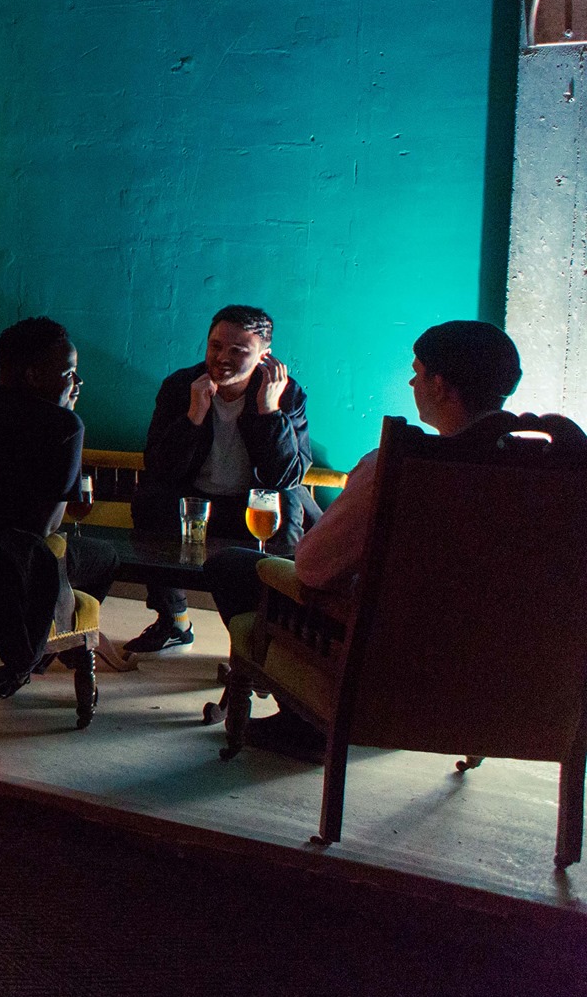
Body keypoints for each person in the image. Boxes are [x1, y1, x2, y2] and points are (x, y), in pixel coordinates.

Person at [199, 320, 523, 756]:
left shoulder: (400, 467)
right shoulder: (550, 477)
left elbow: (312, 567)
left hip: (388, 657)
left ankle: (306, 720)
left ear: (441, 385)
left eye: (417, 370)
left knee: (233, 566)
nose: (411, 381)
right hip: (497, 668)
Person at [0, 317, 112, 698]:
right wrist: (69, 420)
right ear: (34, 376)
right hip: (7, 567)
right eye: (69, 372)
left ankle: (28, 655)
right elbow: (44, 531)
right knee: (106, 557)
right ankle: (33, 658)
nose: (76, 383)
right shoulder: (63, 425)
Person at [126, 304, 311, 653]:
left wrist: (269, 411)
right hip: (194, 500)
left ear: (264, 356)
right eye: (216, 346)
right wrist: (195, 416)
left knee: (288, 509)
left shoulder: (287, 394)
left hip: (251, 504)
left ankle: (262, 636)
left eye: (238, 351)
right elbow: (159, 467)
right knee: (149, 499)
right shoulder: (182, 385)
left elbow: (287, 476)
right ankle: (174, 621)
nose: (222, 357)